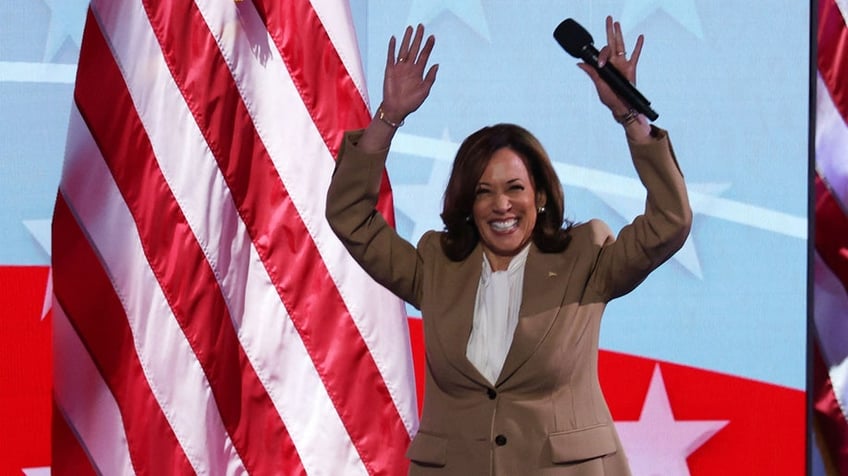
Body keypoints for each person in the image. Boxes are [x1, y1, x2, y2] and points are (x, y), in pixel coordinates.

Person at [326, 16, 692, 476]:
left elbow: (670, 222)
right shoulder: (436, 265)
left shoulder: (586, 257)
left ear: (539, 195)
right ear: (468, 202)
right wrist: (388, 118)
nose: (501, 205)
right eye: (483, 191)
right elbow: (349, 216)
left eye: (515, 188)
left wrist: (629, 117)